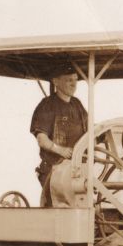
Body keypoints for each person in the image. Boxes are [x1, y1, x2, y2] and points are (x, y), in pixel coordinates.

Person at [30, 66, 87, 206]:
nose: (74, 84)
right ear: (56, 81)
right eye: (69, 80)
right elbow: (42, 140)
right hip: (54, 169)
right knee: (58, 208)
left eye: (76, 80)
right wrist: (60, 150)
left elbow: (90, 132)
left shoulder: (77, 104)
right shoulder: (47, 106)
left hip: (77, 169)